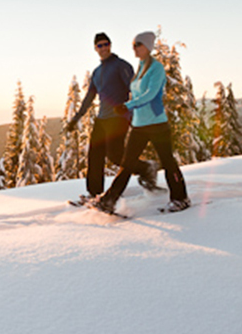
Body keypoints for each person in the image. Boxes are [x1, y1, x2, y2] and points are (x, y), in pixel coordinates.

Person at [96, 31, 190, 213]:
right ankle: (109, 201)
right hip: (139, 125)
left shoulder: (156, 68)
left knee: (168, 162)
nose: (134, 48)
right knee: (127, 164)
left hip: (157, 124)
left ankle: (181, 198)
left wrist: (128, 105)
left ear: (147, 46)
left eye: (138, 45)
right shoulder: (139, 67)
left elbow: (151, 94)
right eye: (133, 45)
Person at [66, 32, 158, 203]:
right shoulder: (97, 72)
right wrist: (76, 118)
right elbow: (89, 97)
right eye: (100, 45)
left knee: (115, 156)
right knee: (95, 155)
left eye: (106, 44)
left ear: (110, 45)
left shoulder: (120, 66)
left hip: (119, 118)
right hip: (102, 120)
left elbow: (135, 89)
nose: (103, 48)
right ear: (95, 49)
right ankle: (94, 195)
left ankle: (146, 167)